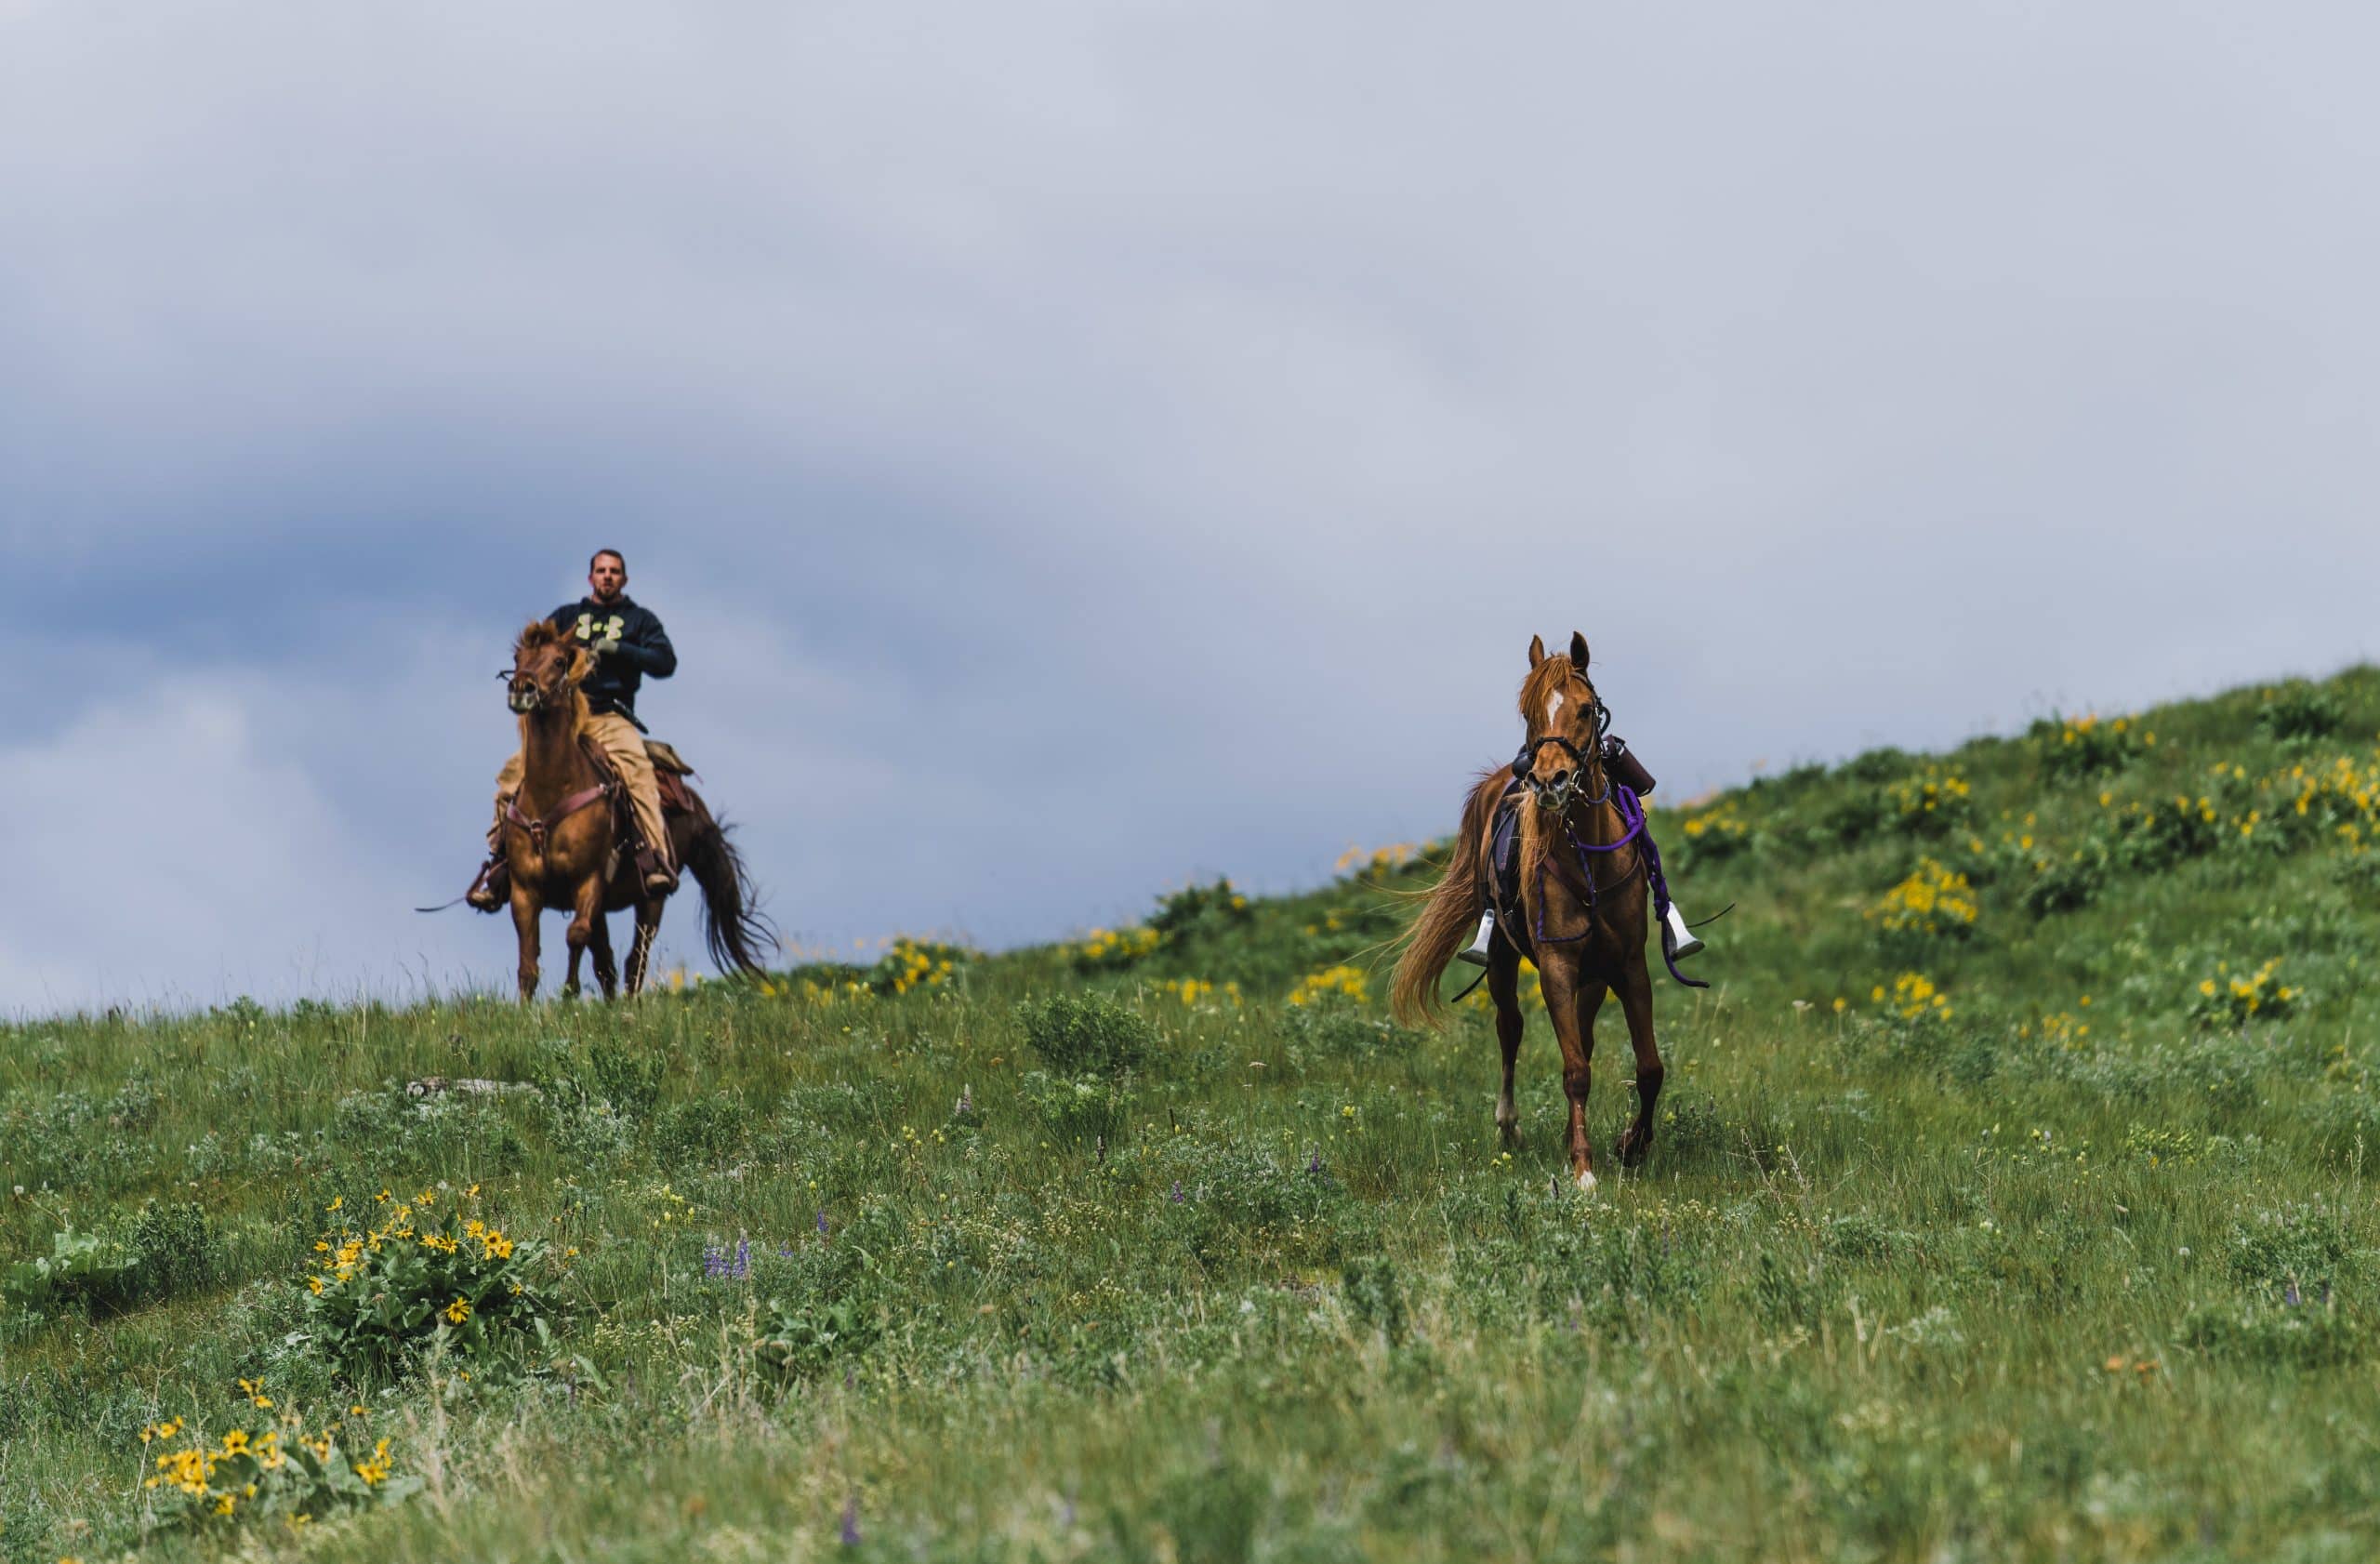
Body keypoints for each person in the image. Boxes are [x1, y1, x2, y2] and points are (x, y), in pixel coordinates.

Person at [467, 550, 680, 909]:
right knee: (511, 775)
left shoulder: (640, 619)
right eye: (601, 570)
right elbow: (535, 655)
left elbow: (665, 662)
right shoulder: (567, 617)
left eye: (614, 571)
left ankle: (652, 859)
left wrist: (619, 649)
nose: (607, 576)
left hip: (611, 717)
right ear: (590, 578)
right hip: (564, 719)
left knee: (638, 771)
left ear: (624, 579)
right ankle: (500, 865)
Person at [1456, 732, 1708, 966]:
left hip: (1579, 731)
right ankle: (1495, 906)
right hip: (1546, 735)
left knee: (1620, 795)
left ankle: (1663, 905)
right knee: (1514, 804)